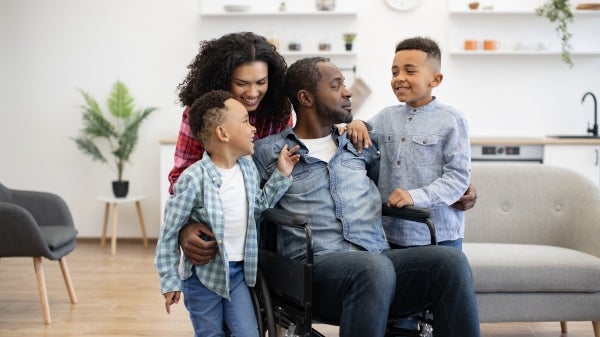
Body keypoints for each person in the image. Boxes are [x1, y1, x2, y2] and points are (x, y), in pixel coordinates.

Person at [251, 57, 480, 337]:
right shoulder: (268, 152)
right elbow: (252, 208)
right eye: (336, 86)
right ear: (305, 97)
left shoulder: (360, 146)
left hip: (376, 260)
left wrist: (459, 189)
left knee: (451, 263)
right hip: (313, 272)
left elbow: (397, 180)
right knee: (373, 267)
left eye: (345, 85)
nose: (347, 92)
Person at [155, 90, 299, 337]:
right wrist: (169, 281)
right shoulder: (193, 178)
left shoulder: (248, 169)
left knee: (248, 333)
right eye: (245, 121)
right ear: (223, 133)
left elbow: (259, 207)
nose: (253, 128)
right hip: (202, 278)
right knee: (210, 333)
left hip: (240, 274)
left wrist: (281, 174)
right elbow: (169, 233)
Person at [350, 36, 471, 250]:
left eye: (410, 71)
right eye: (394, 72)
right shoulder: (386, 116)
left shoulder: (452, 119)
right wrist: (357, 123)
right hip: (391, 232)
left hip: (439, 233)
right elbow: (364, 135)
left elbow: (458, 177)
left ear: (435, 80)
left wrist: (415, 196)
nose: (399, 78)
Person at [169, 32, 293, 195]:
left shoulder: (278, 110)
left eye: (261, 82)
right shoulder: (202, 113)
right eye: (242, 83)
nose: (253, 93)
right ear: (223, 80)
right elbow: (180, 179)